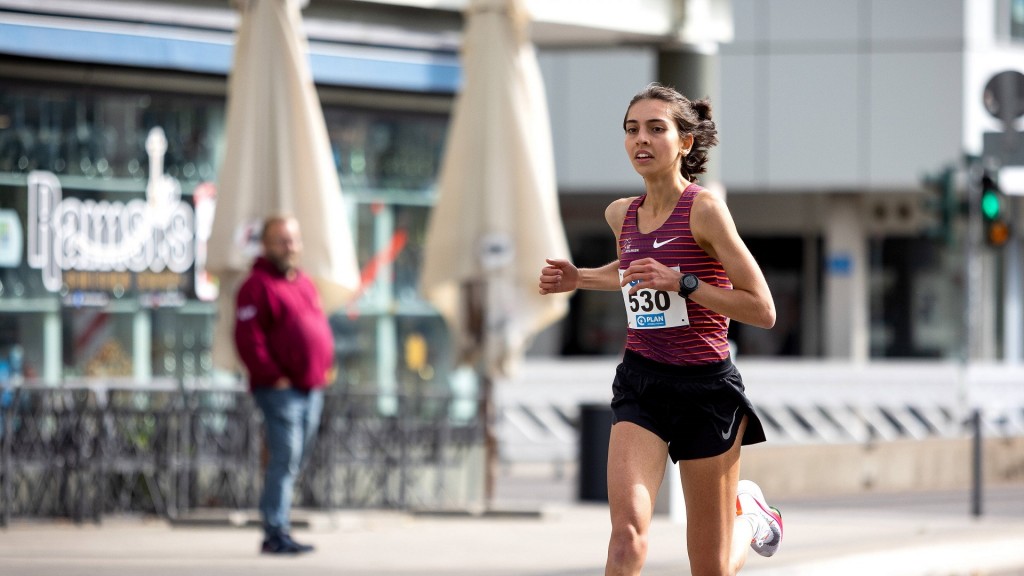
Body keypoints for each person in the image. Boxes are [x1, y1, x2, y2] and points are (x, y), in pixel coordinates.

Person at [538, 83, 782, 575]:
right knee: (627, 538)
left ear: (685, 143)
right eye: (631, 130)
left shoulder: (705, 210)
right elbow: (630, 271)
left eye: (655, 128)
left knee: (708, 568)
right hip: (642, 383)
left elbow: (762, 308)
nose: (640, 140)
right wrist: (579, 277)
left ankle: (751, 520)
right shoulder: (620, 214)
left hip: (706, 390)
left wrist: (684, 283)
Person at [234, 215, 335, 555]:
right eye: (281, 240)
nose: (289, 246)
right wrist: (272, 375)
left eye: (293, 239)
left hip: (311, 387)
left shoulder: (304, 282)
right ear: (265, 244)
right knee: (285, 456)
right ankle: (275, 530)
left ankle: (279, 524)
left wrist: (323, 364)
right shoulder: (256, 285)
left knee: (295, 458)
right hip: (279, 390)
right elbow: (248, 339)